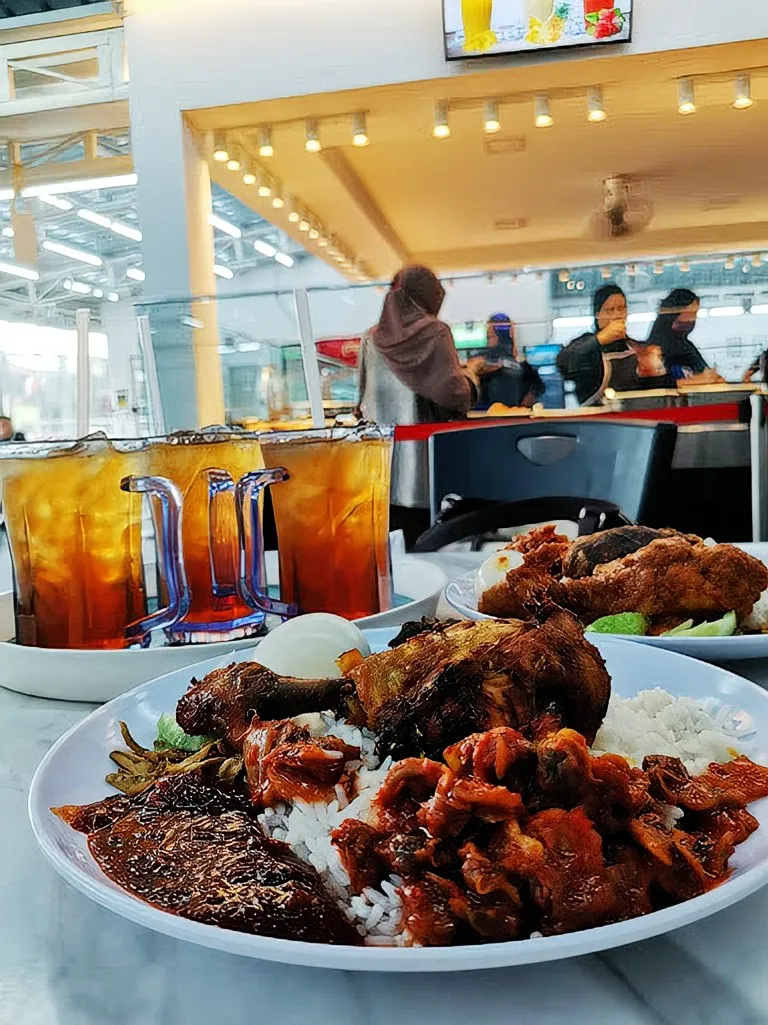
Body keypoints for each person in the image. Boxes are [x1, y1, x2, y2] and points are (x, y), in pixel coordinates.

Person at [358, 264, 483, 544]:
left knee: (392, 549)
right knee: (429, 544)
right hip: (427, 467)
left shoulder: (370, 338)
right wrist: (472, 375)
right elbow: (455, 394)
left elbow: (361, 399)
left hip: (382, 465)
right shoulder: (436, 332)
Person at [556, 284, 671, 405]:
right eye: (610, 310)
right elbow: (564, 362)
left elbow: (657, 393)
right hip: (600, 420)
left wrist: (655, 370)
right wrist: (599, 339)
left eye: (621, 308)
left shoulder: (638, 348)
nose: (617, 315)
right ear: (597, 314)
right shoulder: (586, 347)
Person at [645, 288, 721, 384]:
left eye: (695, 313)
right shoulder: (656, 351)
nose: (693, 318)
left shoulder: (685, 345)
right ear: (674, 315)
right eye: (690, 313)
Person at [476, 313, 545, 409]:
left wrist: (529, 397)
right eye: (488, 337)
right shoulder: (482, 357)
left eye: (491, 337)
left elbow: (537, 384)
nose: (489, 341)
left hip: (514, 412)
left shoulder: (518, 360)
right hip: (488, 412)